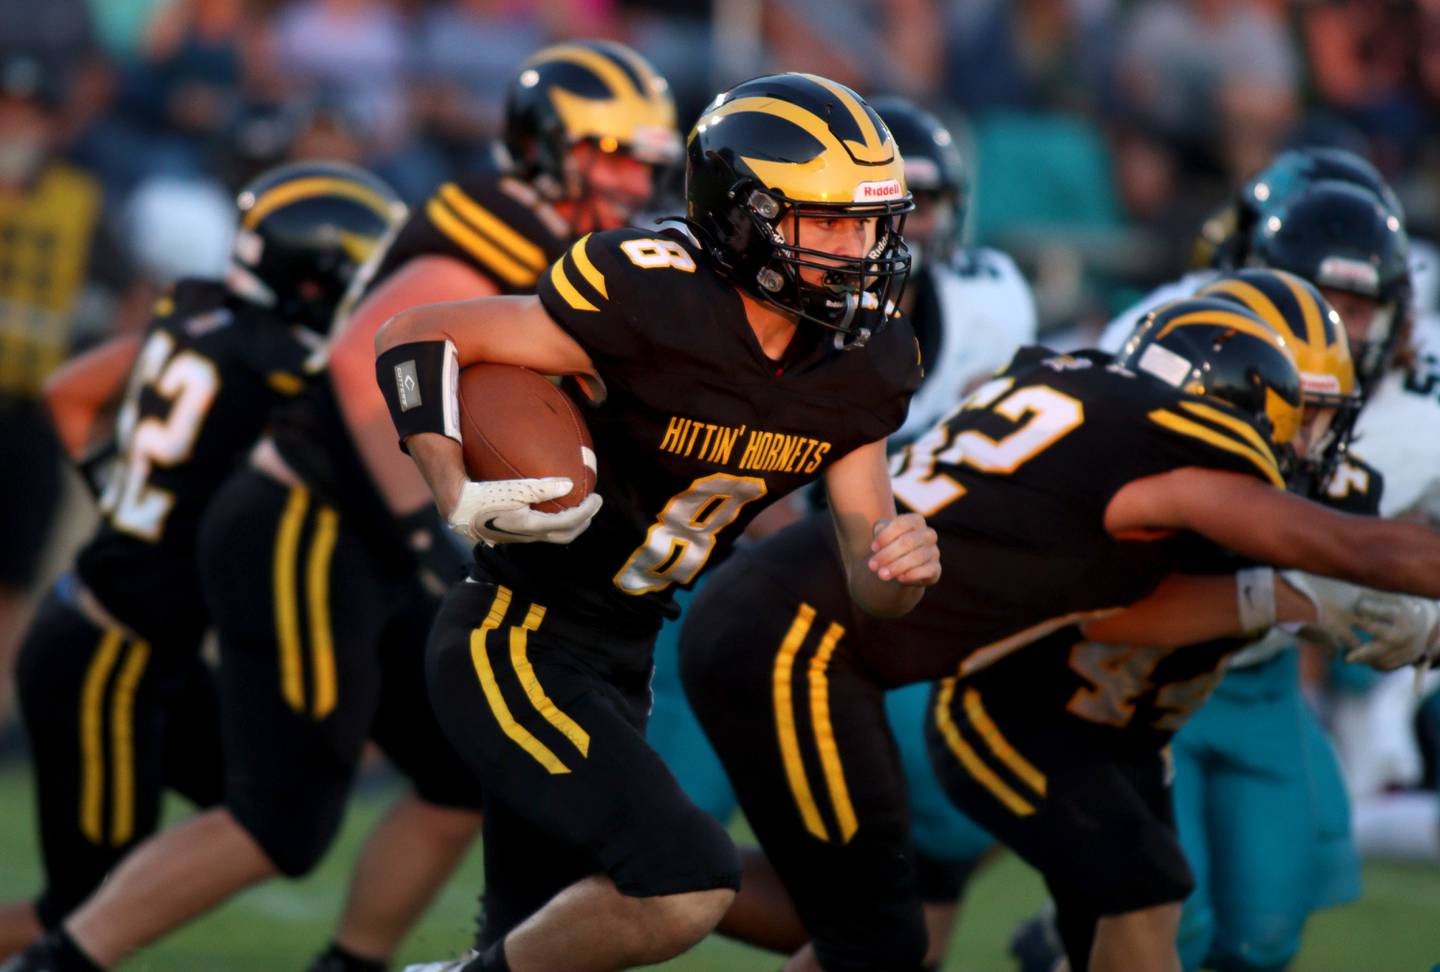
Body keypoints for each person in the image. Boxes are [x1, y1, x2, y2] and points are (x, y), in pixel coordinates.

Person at [3, 39, 685, 972]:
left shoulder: (566, 241)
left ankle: (352, 966)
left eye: (643, 157)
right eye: (611, 151)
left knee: (456, 770)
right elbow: (377, 366)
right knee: (278, 818)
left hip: (363, 534)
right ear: (544, 145)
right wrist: (437, 522)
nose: (631, 175)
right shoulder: (492, 218)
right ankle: (58, 959)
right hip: (310, 518)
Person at [679, 294, 1440, 972]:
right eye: (1295, 419)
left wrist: (1299, 597)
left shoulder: (1087, 407)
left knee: (875, 923)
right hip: (803, 644)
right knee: (877, 938)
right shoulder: (1168, 452)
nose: (1304, 444)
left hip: (794, 622)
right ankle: (640, 872)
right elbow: (1351, 548)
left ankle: (640, 873)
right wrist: (1302, 595)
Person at [374, 73, 941, 972]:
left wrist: (904, 567)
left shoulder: (864, 364)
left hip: (625, 659)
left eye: (870, 222)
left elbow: (873, 580)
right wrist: (451, 489)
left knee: (541, 943)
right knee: (683, 876)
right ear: (744, 216)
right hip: (516, 640)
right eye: (826, 221)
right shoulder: (655, 297)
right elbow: (416, 333)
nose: (858, 247)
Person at [643, 94, 1033, 969]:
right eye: (836, 215)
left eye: (907, 209)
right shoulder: (709, 290)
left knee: (932, 838)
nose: (897, 233)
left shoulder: (977, 306)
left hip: (876, 593)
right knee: (657, 844)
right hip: (722, 570)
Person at [0, 161, 403, 962]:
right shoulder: (284, 364)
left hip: (141, 637)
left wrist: (130, 500)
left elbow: (73, 391)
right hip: (110, 655)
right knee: (83, 907)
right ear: (316, 275)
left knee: (268, 806)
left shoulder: (198, 315)